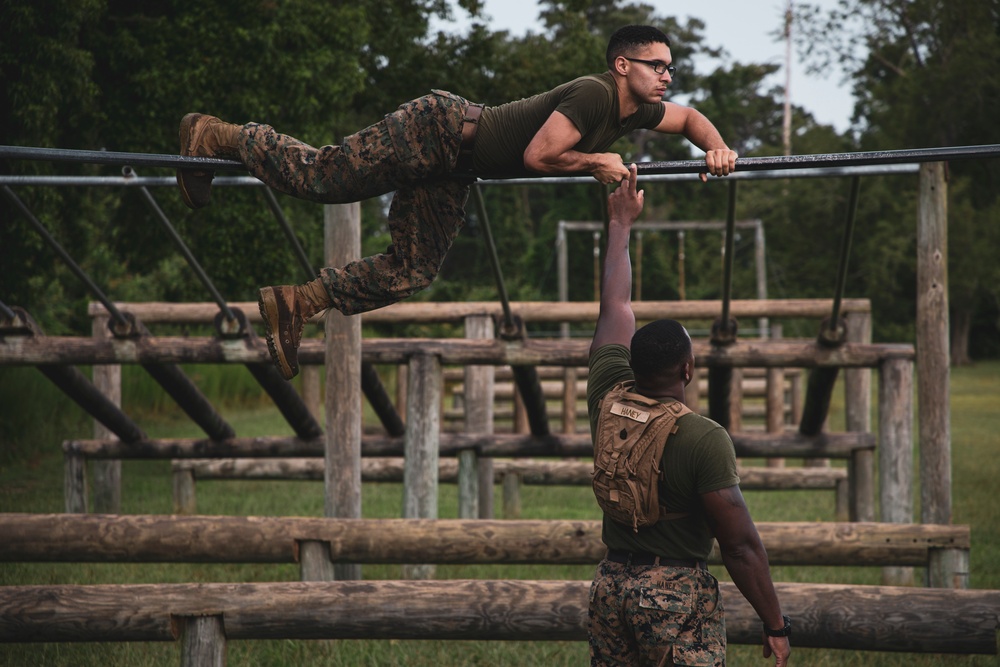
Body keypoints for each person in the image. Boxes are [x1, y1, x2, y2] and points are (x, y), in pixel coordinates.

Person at [176, 25, 737, 379]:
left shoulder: (638, 111)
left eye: (669, 68)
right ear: (623, 66)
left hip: (455, 168)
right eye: (656, 66)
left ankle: (297, 302)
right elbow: (542, 156)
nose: (667, 76)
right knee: (322, 177)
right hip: (438, 129)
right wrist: (596, 161)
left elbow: (689, 119)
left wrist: (716, 148)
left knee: (413, 270)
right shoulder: (594, 94)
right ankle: (216, 135)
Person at [586, 165, 790, 666]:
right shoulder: (702, 437)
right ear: (688, 368)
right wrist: (776, 623)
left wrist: (620, 225)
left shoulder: (606, 397)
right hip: (673, 594)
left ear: (633, 362)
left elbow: (615, 303)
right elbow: (740, 546)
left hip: (609, 588)